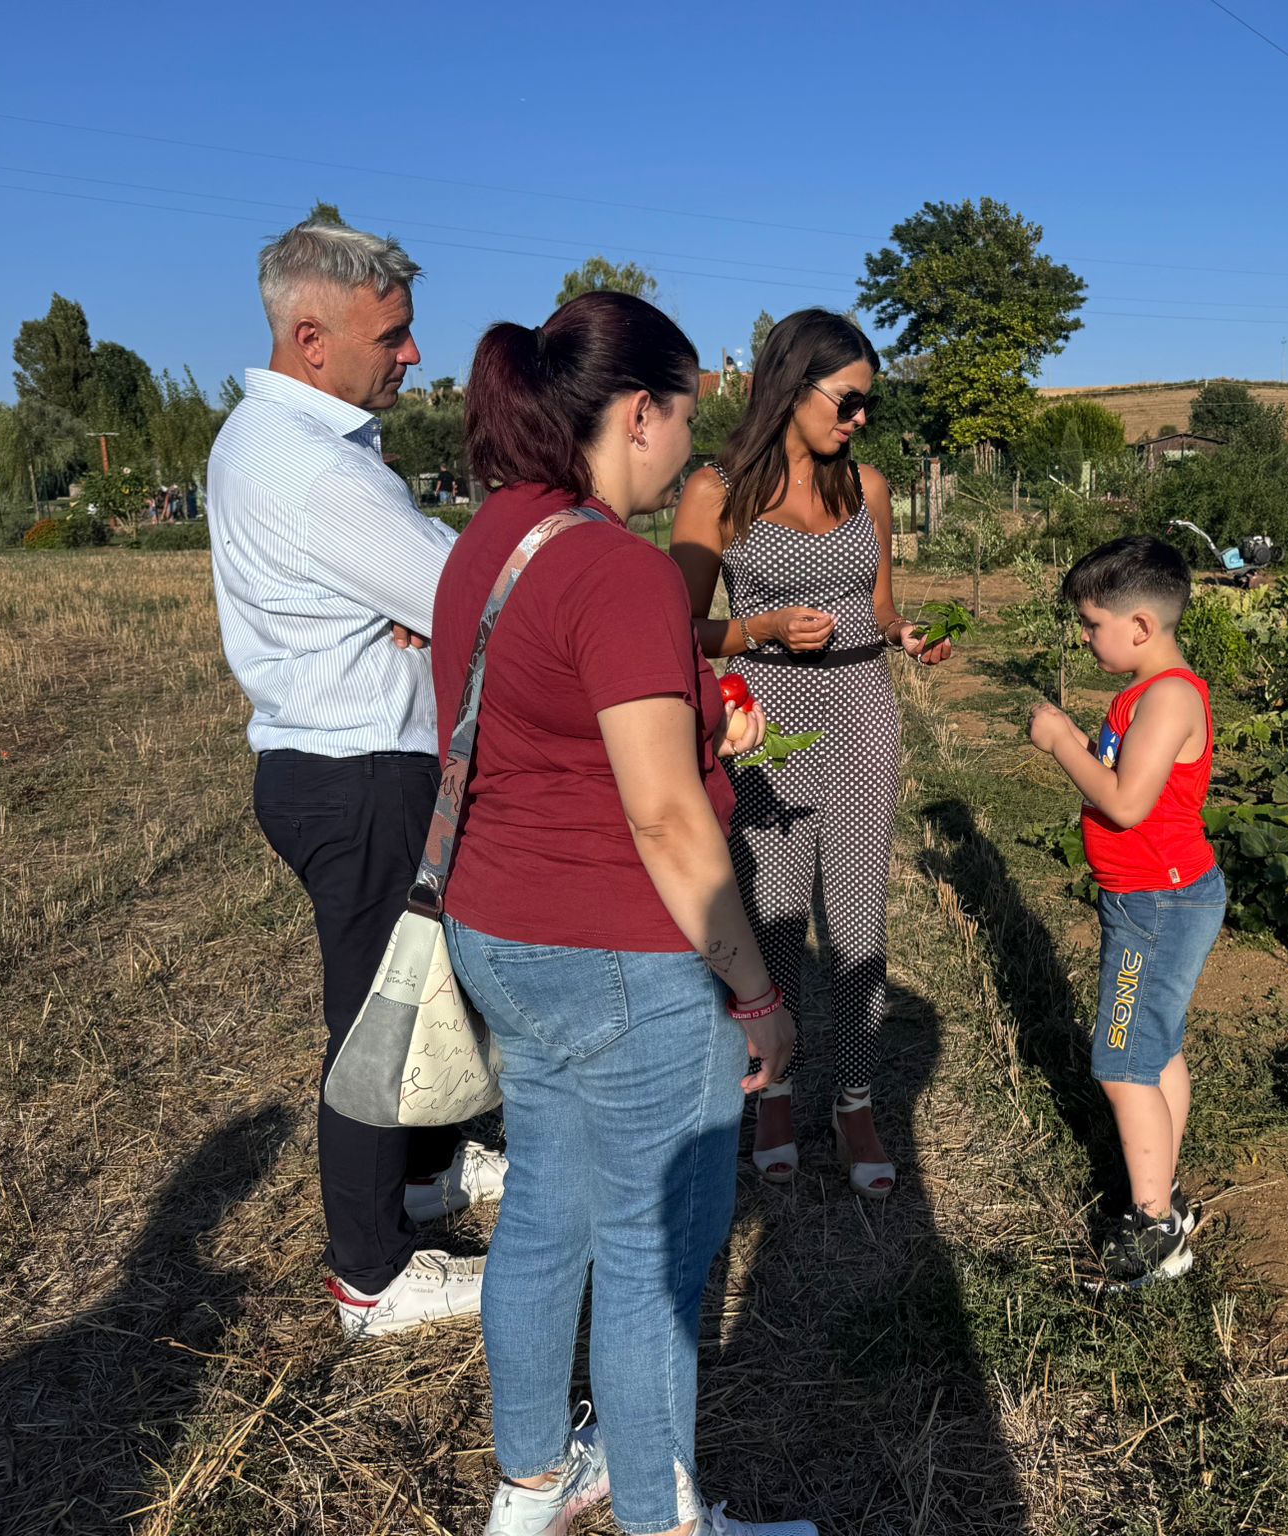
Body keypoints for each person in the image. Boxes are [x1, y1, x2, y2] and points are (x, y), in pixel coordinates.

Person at [436, 291, 815, 1536]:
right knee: (660, 1256)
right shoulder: (619, 569)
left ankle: (534, 1478)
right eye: (688, 419)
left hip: (499, 931)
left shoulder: (493, 536)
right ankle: (666, 1519)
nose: (692, 454)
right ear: (636, 411)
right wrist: (755, 991)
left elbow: (553, 724)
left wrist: (701, 712)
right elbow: (663, 817)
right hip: (623, 953)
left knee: (545, 1203)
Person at [207, 216, 505, 1341]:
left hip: (349, 765)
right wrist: (433, 617)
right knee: (378, 1020)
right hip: (359, 774)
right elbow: (460, 591)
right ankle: (372, 1274)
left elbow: (430, 587)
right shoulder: (303, 464)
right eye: (396, 333)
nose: (414, 354)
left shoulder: (302, 442)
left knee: (420, 989)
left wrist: (425, 616)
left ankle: (425, 1179)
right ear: (311, 333)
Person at [670, 309, 951, 1201]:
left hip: (863, 708)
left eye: (869, 402)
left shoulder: (867, 485)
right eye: (850, 399)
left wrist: (904, 631)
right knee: (777, 917)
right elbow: (674, 630)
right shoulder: (715, 490)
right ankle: (779, 1091)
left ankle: (857, 1100)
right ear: (794, 386)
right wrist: (757, 630)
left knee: (861, 920)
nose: (861, 418)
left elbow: (877, 604)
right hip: (769, 722)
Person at [1024, 536, 1226, 1290]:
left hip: (1158, 902)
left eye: (1092, 623)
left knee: (1120, 1060)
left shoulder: (1168, 696)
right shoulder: (1147, 692)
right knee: (1158, 1048)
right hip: (1156, 896)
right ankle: (1164, 1195)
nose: (1083, 635)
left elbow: (1123, 800)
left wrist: (1059, 744)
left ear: (1139, 626)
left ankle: (1153, 1229)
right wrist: (1084, 742)